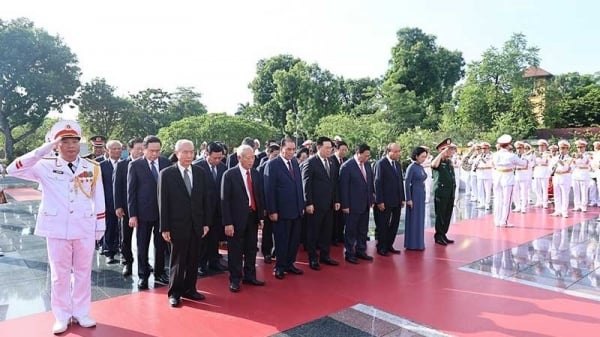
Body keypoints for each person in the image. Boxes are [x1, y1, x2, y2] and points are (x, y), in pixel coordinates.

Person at [7, 120, 105, 334]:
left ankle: (81, 311)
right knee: (59, 275)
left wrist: (100, 225)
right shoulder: (44, 165)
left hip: (84, 226)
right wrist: (43, 150)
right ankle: (61, 315)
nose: (71, 146)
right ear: (56, 145)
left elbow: (99, 197)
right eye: (65, 142)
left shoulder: (91, 167)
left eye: (74, 141)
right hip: (57, 227)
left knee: (83, 272)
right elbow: (12, 168)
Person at [158, 140, 210, 307]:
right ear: (177, 152)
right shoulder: (166, 174)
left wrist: (206, 223)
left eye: (192, 152)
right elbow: (162, 203)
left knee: (194, 259)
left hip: (197, 224)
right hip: (176, 225)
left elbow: (205, 200)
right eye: (185, 152)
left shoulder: (200, 172)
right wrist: (164, 227)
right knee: (178, 260)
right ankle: (175, 293)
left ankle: (191, 289)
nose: (189, 155)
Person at [127, 135, 172, 290]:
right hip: (143, 212)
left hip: (162, 212)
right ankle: (142, 275)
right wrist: (132, 214)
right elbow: (131, 192)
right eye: (152, 151)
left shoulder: (166, 163)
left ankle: (160, 272)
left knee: (161, 245)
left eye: (158, 151)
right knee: (142, 245)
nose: (155, 154)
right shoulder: (135, 165)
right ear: (144, 149)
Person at [222, 145, 266, 292]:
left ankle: (250, 276)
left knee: (251, 248)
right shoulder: (229, 175)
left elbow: (259, 196)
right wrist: (228, 223)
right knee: (235, 250)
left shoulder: (256, 173)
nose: (251, 160)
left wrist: (261, 216)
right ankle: (235, 279)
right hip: (235, 219)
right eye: (247, 157)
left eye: (253, 157)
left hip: (252, 216)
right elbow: (224, 200)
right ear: (239, 158)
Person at [263, 137, 305, 279]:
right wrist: (272, 210)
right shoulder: (272, 165)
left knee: (294, 240)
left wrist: (301, 205)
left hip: (296, 210)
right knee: (282, 240)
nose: (291, 152)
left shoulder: (294, 162)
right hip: (281, 211)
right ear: (281, 149)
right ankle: (279, 267)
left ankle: (289, 264)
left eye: (293, 149)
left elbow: (299, 185)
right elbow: (269, 190)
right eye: (288, 149)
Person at [301, 137, 340, 270]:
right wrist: (308, 203)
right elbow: (306, 184)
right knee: (313, 232)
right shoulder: (310, 162)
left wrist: (336, 200)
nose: (330, 150)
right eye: (327, 148)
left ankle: (325, 255)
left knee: (327, 231)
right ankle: (313, 258)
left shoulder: (332, 162)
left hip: (329, 204)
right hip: (315, 205)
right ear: (319, 147)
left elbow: (334, 184)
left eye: (331, 148)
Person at [193, 142, 228, 276]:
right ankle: (201, 264)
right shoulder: (197, 167)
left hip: (217, 210)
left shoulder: (223, 168)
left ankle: (214, 261)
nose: (218, 160)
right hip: (202, 210)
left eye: (220, 158)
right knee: (202, 239)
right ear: (207, 154)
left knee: (214, 237)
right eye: (215, 158)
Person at [339, 143, 374, 263]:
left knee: (363, 229)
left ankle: (361, 250)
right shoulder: (347, 166)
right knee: (351, 230)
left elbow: (370, 184)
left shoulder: (368, 165)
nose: (367, 158)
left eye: (368, 156)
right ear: (358, 153)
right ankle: (349, 253)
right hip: (352, 204)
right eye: (365, 155)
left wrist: (371, 199)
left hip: (365, 203)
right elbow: (343, 188)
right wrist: (345, 205)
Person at [113, 138, 143, 276]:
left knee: (144, 238)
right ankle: (127, 262)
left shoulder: (145, 164)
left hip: (143, 206)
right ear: (130, 149)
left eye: (143, 148)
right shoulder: (122, 165)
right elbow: (116, 187)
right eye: (138, 149)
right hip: (126, 207)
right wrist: (118, 206)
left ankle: (144, 262)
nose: (141, 151)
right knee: (126, 236)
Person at [373, 143, 405, 256]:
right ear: (388, 151)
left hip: (396, 199)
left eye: (399, 151)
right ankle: (381, 246)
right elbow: (377, 183)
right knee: (383, 224)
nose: (398, 154)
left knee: (395, 223)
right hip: (385, 200)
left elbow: (400, 182)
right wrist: (379, 201)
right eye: (395, 151)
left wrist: (402, 198)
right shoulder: (381, 164)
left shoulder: (397, 164)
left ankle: (389, 244)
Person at [492, 135, 527, 227]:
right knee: (507, 201)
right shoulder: (511, 155)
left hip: (497, 177)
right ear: (508, 145)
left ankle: (497, 220)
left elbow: (493, 165)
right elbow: (523, 164)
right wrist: (525, 158)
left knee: (498, 200)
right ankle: (504, 221)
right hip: (507, 177)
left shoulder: (495, 155)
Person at [98, 140, 122, 264]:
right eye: (114, 149)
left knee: (121, 229)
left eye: (119, 149)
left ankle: (120, 249)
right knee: (109, 227)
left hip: (122, 203)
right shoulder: (101, 166)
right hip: (107, 202)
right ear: (107, 150)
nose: (117, 151)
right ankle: (108, 252)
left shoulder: (126, 164)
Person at [432, 138, 457, 245]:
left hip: (450, 192)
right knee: (441, 214)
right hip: (441, 192)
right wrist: (442, 152)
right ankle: (438, 236)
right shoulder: (438, 161)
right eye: (449, 149)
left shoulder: (448, 162)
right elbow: (433, 165)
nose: (451, 151)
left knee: (447, 214)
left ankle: (443, 234)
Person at [258, 143, 280, 264]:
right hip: (267, 205)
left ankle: (276, 251)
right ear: (268, 154)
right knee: (267, 231)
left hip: (280, 204)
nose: (276, 157)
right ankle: (266, 252)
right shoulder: (262, 168)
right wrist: (264, 207)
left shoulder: (281, 167)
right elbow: (261, 190)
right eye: (274, 155)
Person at [404, 146, 428, 250]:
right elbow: (407, 183)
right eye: (422, 157)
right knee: (414, 219)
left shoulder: (420, 166)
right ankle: (412, 243)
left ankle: (419, 242)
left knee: (420, 218)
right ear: (416, 156)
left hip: (421, 194)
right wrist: (408, 198)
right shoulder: (412, 167)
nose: (424, 159)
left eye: (425, 157)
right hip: (414, 195)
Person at [330, 140, 348, 245]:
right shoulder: (331, 160)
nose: (344, 152)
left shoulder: (346, 161)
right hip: (333, 193)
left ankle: (340, 235)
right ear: (336, 149)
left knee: (342, 217)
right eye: (342, 150)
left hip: (343, 192)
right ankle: (334, 237)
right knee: (334, 217)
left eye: (346, 150)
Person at [550, 140, 573, 218]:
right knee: (556, 195)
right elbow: (551, 168)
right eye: (560, 148)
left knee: (565, 195)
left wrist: (562, 164)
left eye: (563, 148)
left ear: (567, 149)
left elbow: (570, 169)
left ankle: (564, 211)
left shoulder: (570, 159)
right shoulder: (555, 158)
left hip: (565, 178)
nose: (562, 150)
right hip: (556, 177)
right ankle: (557, 210)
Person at [532, 139, 551, 208]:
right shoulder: (535, 154)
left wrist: (539, 156)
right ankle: (539, 201)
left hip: (544, 171)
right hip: (537, 171)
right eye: (539, 146)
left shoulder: (548, 154)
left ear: (546, 146)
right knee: (536, 188)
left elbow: (546, 162)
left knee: (544, 188)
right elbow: (533, 163)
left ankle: (545, 202)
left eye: (542, 145)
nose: (541, 147)